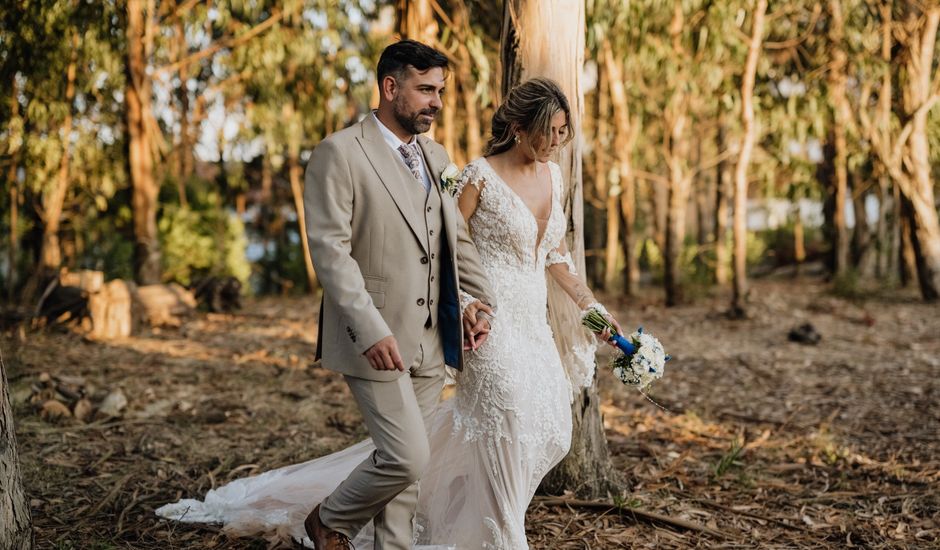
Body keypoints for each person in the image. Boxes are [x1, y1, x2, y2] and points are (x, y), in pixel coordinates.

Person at [155, 76, 621, 549]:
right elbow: (445, 247)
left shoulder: (553, 176)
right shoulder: (478, 175)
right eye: (552, 130)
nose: (559, 141)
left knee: (552, 431)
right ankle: (503, 539)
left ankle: (468, 515)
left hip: (532, 323)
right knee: (507, 423)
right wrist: (463, 306)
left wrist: (595, 313)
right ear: (521, 127)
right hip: (484, 322)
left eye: (565, 131)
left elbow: (556, 256)